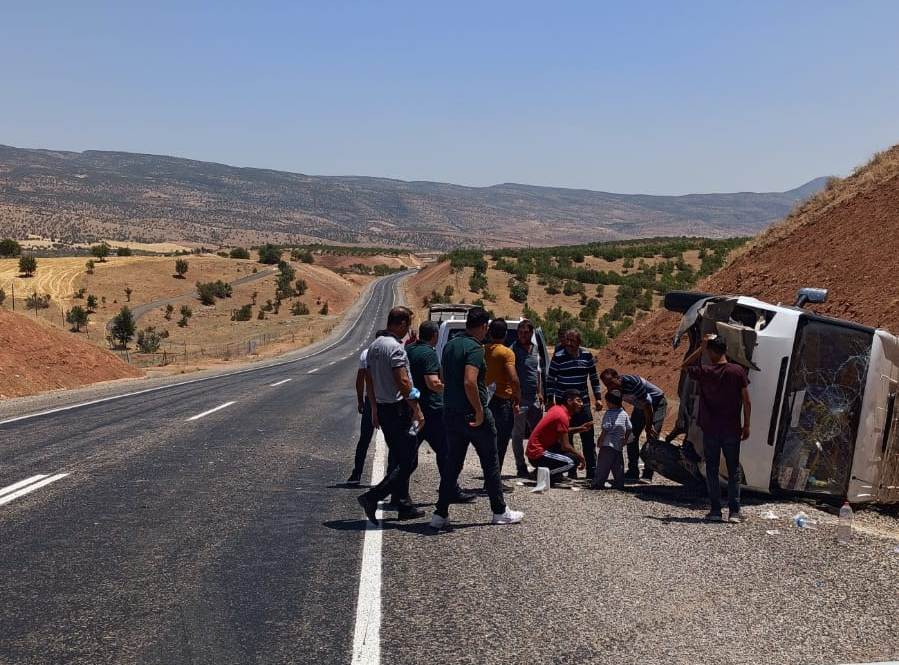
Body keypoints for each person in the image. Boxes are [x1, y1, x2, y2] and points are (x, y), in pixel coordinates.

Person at [430, 307, 524, 530]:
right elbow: (470, 381)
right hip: (472, 415)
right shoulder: (474, 348)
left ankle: (440, 513)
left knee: (453, 463)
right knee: (490, 461)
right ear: (483, 327)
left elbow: (444, 375)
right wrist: (479, 409)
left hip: (451, 412)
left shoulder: (451, 345)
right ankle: (499, 510)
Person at [357, 307, 426, 523]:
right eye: (407, 326)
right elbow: (404, 383)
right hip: (398, 410)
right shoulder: (395, 348)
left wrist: (374, 408)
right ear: (402, 323)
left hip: (384, 410)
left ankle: (404, 505)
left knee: (398, 457)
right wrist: (417, 407)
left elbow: (370, 380)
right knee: (408, 461)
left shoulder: (374, 347)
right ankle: (373, 496)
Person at [681, 334, 752, 523]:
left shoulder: (705, 371)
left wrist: (701, 347)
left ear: (711, 351)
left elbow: (685, 366)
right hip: (731, 429)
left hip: (711, 429)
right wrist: (747, 424)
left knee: (712, 470)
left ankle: (715, 511)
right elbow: (746, 400)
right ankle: (735, 512)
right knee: (733, 469)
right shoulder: (737, 371)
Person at [406, 320, 474, 503]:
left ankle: (399, 494)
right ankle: (450, 489)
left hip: (413, 409)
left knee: (407, 455)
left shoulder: (409, 350)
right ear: (435, 335)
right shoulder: (429, 353)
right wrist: (452, 389)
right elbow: (433, 383)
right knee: (446, 452)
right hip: (432, 411)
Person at [546, 329, 602, 479]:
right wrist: (550, 400)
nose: (569, 344)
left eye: (572, 341)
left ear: (579, 342)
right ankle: (572, 471)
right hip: (564, 405)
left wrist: (598, 398)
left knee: (588, 436)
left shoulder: (587, 355)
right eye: (567, 340)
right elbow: (550, 380)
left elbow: (594, 378)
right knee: (566, 436)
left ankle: (592, 471)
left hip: (582, 402)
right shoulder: (558, 357)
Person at [599, 368, 667, 481]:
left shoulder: (634, 383)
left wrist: (648, 427)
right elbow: (618, 406)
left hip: (656, 403)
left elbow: (648, 406)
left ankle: (648, 474)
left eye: (611, 383)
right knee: (631, 436)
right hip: (640, 406)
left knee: (652, 437)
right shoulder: (614, 389)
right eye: (607, 385)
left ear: (618, 377)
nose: (609, 387)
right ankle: (633, 471)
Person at [484, 318, 521, 491]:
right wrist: (517, 397)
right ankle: (494, 481)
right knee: (501, 443)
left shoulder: (482, 350)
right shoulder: (506, 353)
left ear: (489, 332)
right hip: (501, 402)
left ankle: (488, 479)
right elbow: (513, 378)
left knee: (488, 442)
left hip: (485, 400)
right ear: (505, 334)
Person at [347, 331, 389, 483]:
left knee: (364, 439)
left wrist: (360, 401)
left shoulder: (366, 353)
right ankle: (391, 478)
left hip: (370, 401)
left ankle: (356, 473)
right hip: (387, 401)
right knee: (393, 439)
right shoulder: (390, 351)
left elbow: (360, 380)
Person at [526, 389, 587, 482]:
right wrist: (581, 456)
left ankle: (553, 474)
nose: (581, 404)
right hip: (538, 454)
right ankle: (539, 474)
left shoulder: (558, 409)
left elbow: (562, 431)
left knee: (568, 454)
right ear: (569, 401)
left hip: (537, 451)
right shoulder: (562, 416)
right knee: (572, 461)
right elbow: (566, 446)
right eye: (578, 401)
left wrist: (580, 428)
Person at [510, 318, 544, 478]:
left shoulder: (536, 349)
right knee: (518, 434)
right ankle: (520, 466)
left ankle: (539, 463)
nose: (523, 335)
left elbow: (537, 372)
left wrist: (540, 392)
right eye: (520, 332)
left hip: (534, 397)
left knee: (538, 432)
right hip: (520, 398)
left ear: (531, 333)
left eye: (526, 332)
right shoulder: (513, 350)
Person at [593, 390, 631, 490]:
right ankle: (619, 483)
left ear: (610, 402)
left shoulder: (609, 413)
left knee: (603, 465)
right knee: (618, 465)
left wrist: (600, 439)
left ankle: (598, 483)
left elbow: (606, 428)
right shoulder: (624, 413)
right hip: (618, 444)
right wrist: (625, 439)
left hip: (607, 444)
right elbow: (629, 427)